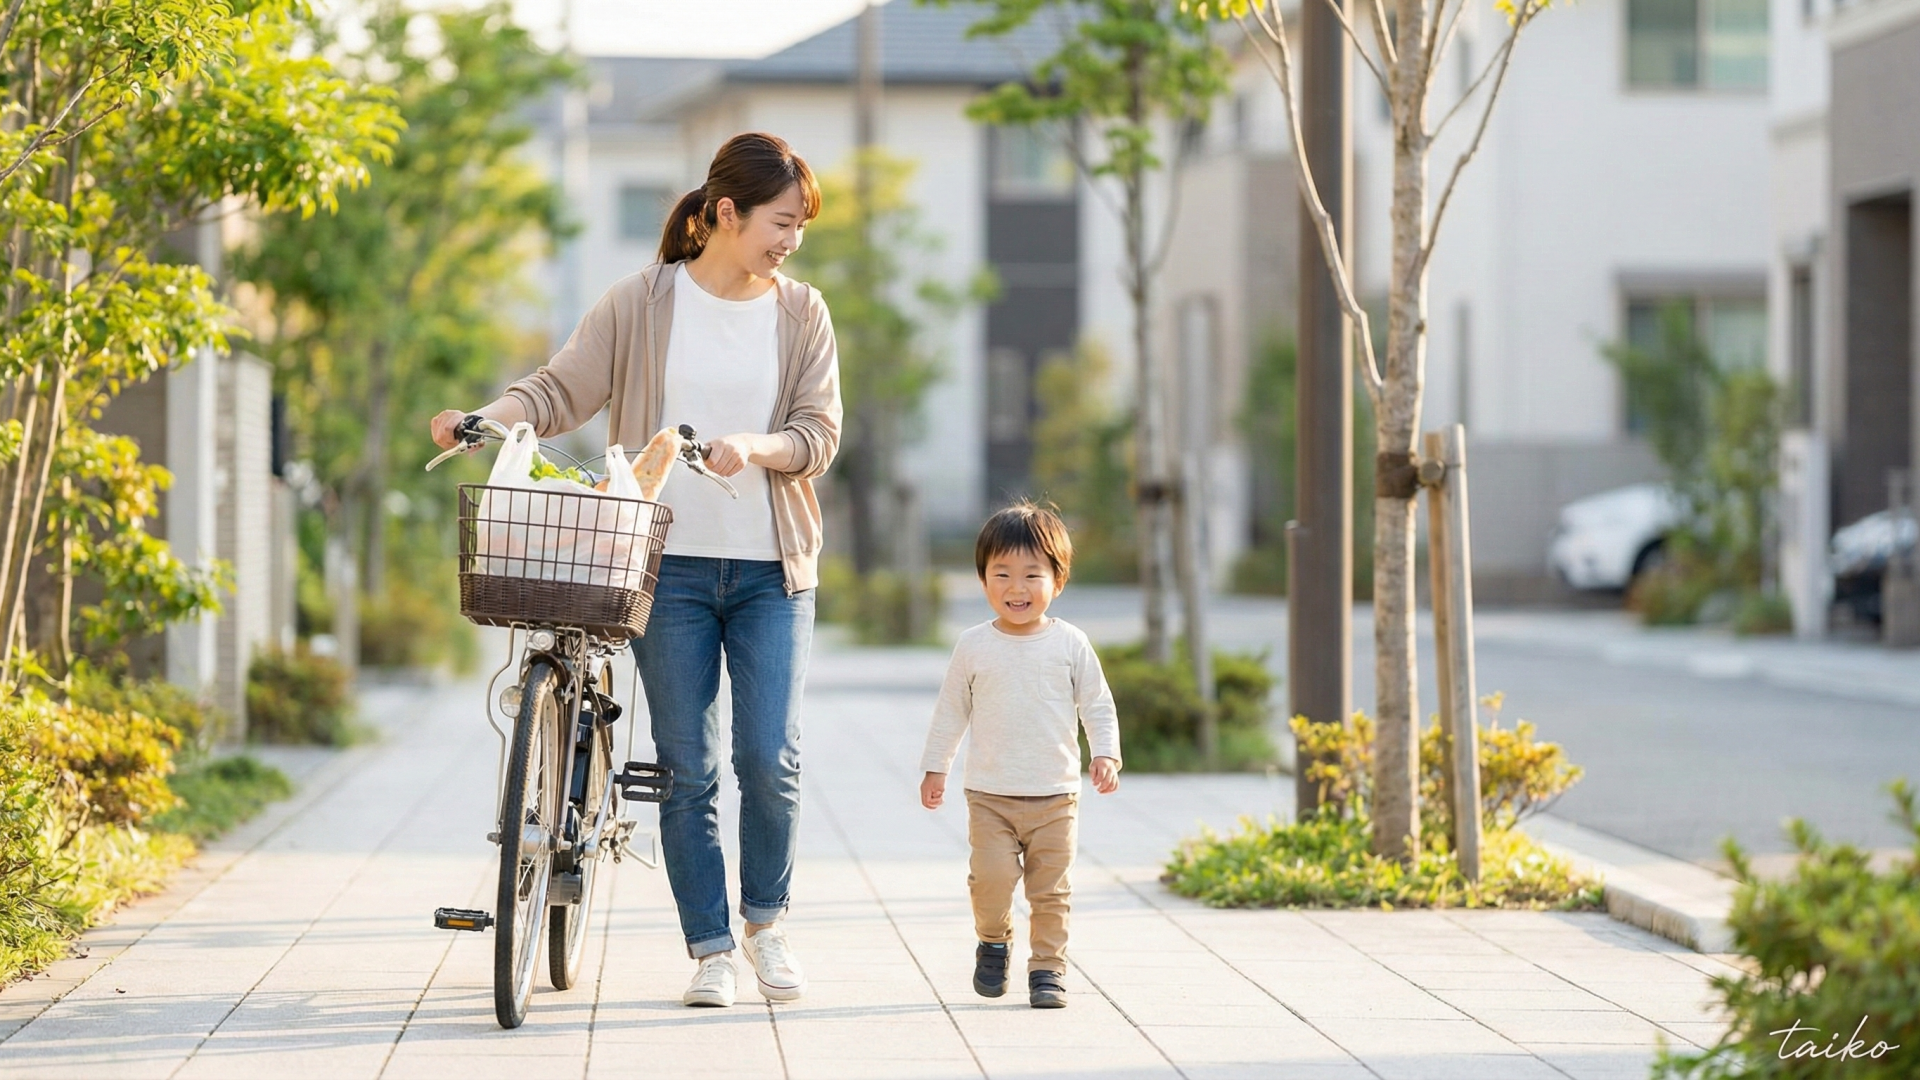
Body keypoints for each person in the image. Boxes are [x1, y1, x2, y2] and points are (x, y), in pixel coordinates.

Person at [430, 132, 841, 1009]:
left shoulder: (803, 313)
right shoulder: (643, 301)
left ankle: (766, 923)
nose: (792, 240)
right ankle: (711, 950)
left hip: (772, 571)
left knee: (770, 758)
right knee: (688, 764)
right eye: (781, 221)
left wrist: (754, 446)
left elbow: (818, 435)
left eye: (800, 224)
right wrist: (482, 418)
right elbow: (558, 390)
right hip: (665, 568)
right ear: (725, 213)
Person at [917, 502, 1122, 1009]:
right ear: (983, 579)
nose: (1017, 587)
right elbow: (951, 711)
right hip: (990, 795)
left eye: (1033, 575)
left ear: (1058, 580)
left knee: (1051, 890)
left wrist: (1105, 753)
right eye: (1002, 573)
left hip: (1055, 796)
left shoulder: (1070, 643)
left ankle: (1048, 968)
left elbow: (1097, 703)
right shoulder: (973, 646)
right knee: (990, 881)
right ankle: (993, 940)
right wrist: (936, 767)